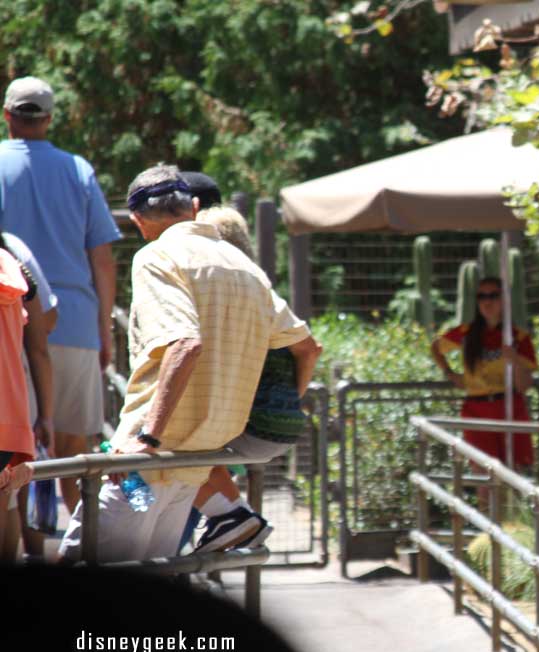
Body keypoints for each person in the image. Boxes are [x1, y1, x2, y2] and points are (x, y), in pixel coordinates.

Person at [57, 164, 313, 563]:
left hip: (148, 459)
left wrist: (148, 439)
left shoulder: (157, 257)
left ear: (138, 221)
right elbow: (304, 343)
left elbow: (184, 343)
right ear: (193, 207)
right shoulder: (244, 266)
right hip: (199, 460)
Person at [0, 76, 121, 515]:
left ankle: (28, 551)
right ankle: (79, 546)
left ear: (8, 115)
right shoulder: (79, 170)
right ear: (49, 119)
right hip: (73, 326)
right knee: (74, 452)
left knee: (13, 452)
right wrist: (103, 328)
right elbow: (102, 259)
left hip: (9, 329)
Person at [185, 204, 322, 552]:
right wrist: (289, 399)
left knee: (168, 444)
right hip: (285, 424)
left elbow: (309, 348)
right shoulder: (260, 288)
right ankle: (231, 518)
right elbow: (309, 349)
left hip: (253, 426)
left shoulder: (240, 291)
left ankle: (236, 517)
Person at [431, 278, 538, 474]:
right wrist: (450, 373)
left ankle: (508, 506)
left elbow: (524, 386)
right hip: (476, 410)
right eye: (481, 296)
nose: (487, 302)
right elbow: (435, 347)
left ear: (504, 300)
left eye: (493, 296)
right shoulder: (466, 332)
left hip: (509, 408)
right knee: (483, 476)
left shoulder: (519, 337)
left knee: (513, 475)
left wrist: (513, 360)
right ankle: (486, 507)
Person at [1, 231, 56, 559]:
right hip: (14, 412)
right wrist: (45, 414)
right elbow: (41, 338)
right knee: (7, 501)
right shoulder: (11, 261)